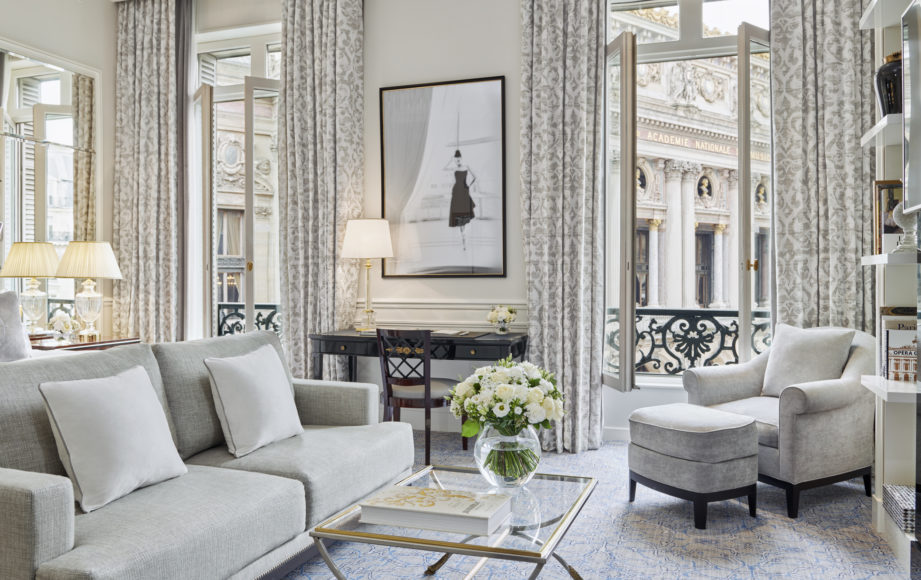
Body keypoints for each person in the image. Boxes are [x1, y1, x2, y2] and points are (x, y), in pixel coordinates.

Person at [444, 149, 477, 250]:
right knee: (459, 218)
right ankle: (463, 241)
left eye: (458, 159)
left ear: (461, 158)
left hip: (464, 191)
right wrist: (450, 160)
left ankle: (464, 239)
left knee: (464, 217)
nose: (457, 161)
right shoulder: (454, 168)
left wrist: (469, 186)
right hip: (456, 192)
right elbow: (445, 168)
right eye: (456, 159)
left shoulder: (466, 166)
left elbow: (475, 177)